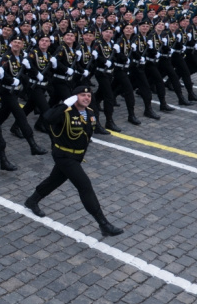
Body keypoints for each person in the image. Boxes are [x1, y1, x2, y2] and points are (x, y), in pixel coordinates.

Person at [24, 86, 124, 237]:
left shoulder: (90, 113)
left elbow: (87, 135)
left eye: (88, 96)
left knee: (54, 180)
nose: (86, 98)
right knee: (85, 186)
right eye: (82, 95)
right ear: (75, 97)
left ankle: (32, 200)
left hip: (76, 157)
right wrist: (65, 104)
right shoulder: (65, 111)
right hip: (64, 156)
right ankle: (103, 224)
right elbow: (48, 118)